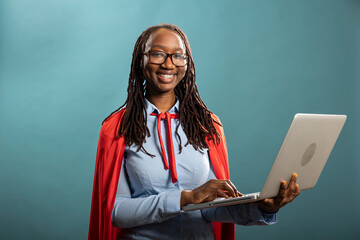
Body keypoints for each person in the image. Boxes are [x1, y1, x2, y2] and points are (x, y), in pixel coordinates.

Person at [88, 23, 300, 240]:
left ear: (187, 63)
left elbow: (209, 208)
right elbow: (116, 213)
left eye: (178, 56)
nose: (168, 64)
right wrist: (185, 198)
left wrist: (265, 208)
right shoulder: (118, 127)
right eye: (158, 54)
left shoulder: (206, 124)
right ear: (140, 60)